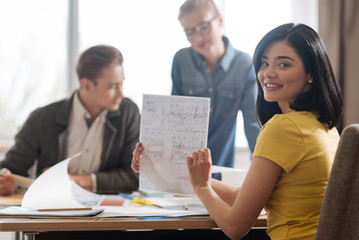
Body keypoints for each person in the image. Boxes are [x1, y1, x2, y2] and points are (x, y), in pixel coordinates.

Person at [132, 23, 343, 239]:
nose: (268, 73)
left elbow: (234, 227)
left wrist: (203, 188)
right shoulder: (324, 127)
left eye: (283, 65)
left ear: (311, 74)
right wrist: (177, 174)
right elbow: (242, 196)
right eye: (264, 63)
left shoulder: (283, 128)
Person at [0, 45, 140, 196]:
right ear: (86, 85)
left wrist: (76, 181)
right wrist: (5, 181)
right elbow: (10, 169)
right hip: (52, 208)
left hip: (110, 211)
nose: (121, 93)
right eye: (112, 86)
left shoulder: (127, 112)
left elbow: (133, 175)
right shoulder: (42, 119)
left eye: (121, 83)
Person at [171, 0, 260, 169]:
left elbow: (253, 125)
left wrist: (261, 172)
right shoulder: (181, 60)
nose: (198, 37)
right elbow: (175, 119)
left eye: (204, 27)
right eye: (189, 32)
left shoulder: (244, 63)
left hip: (221, 169)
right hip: (186, 167)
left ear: (219, 20)